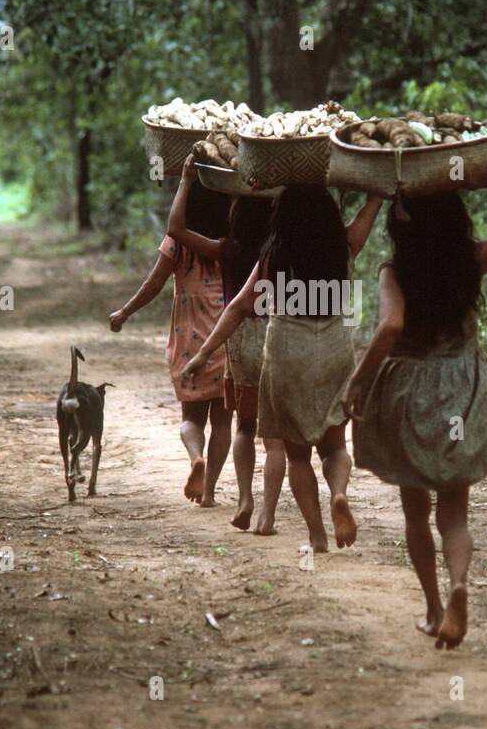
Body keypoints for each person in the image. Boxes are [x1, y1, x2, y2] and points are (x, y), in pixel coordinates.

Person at [343, 181, 487, 649]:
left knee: (414, 511)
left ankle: (432, 608)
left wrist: (359, 380)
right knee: (455, 512)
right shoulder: (470, 261)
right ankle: (460, 584)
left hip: (413, 394)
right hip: (462, 391)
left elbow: (390, 327)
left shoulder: (395, 272)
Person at [183, 185, 383, 553]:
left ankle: (317, 535)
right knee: (335, 448)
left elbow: (239, 308)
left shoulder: (272, 256)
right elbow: (372, 204)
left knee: (297, 456)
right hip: (335, 349)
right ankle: (338, 494)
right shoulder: (345, 245)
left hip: (288, 351)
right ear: (330, 215)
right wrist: (379, 187)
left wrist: (202, 354)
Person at [110, 156, 231, 507]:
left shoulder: (177, 243)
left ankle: (196, 457)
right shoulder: (230, 243)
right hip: (224, 337)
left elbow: (154, 284)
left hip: (189, 340)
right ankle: (209, 491)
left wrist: (125, 312)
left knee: (191, 418)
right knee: (224, 421)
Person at [215, 194, 287, 534]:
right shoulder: (282, 253)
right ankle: (267, 515)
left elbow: (177, 230)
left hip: (241, 336)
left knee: (244, 425)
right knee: (275, 437)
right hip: (276, 331)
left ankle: (245, 498)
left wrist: (186, 181)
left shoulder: (227, 249)